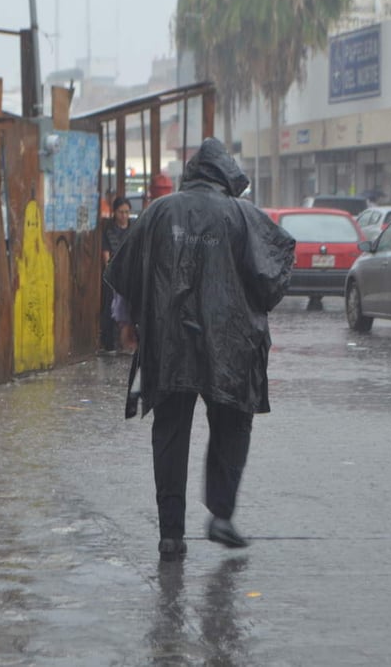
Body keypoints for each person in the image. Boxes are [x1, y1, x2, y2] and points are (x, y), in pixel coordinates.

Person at [104, 137, 295, 562]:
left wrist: (126, 324)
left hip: (168, 344)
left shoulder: (158, 213)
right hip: (228, 345)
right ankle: (221, 514)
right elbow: (274, 276)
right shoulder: (244, 216)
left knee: (169, 434)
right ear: (227, 176)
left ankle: (171, 534)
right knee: (233, 424)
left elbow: (126, 272)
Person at [100, 196, 133, 352]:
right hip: (114, 276)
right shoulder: (109, 231)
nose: (124, 216)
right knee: (111, 310)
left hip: (130, 275)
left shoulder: (134, 229)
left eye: (127, 212)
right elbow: (106, 255)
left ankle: (128, 343)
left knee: (129, 312)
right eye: (121, 212)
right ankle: (110, 344)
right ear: (115, 212)